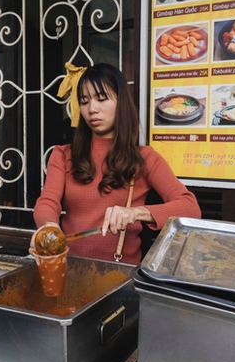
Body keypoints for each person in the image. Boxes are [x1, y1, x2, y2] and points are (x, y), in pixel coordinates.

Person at [32, 63, 201, 264]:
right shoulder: (63, 154)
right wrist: (48, 227)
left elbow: (190, 208)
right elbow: (47, 201)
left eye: (101, 99)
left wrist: (136, 213)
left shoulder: (144, 158)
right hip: (68, 270)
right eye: (84, 101)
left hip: (119, 277)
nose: (92, 109)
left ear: (121, 102)